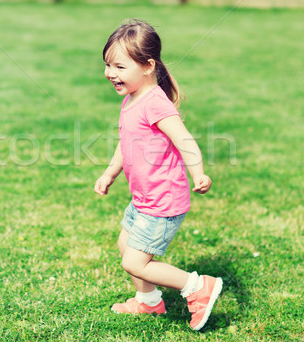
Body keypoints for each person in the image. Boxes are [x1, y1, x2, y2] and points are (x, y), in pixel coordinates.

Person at [94, 19, 222, 331]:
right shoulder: (132, 99)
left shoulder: (154, 103)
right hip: (143, 199)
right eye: (108, 65)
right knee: (126, 246)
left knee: (134, 262)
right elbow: (127, 144)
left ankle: (197, 287)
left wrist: (199, 173)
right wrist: (111, 173)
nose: (111, 73)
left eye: (120, 66)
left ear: (148, 66)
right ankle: (149, 302)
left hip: (163, 200)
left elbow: (184, 140)